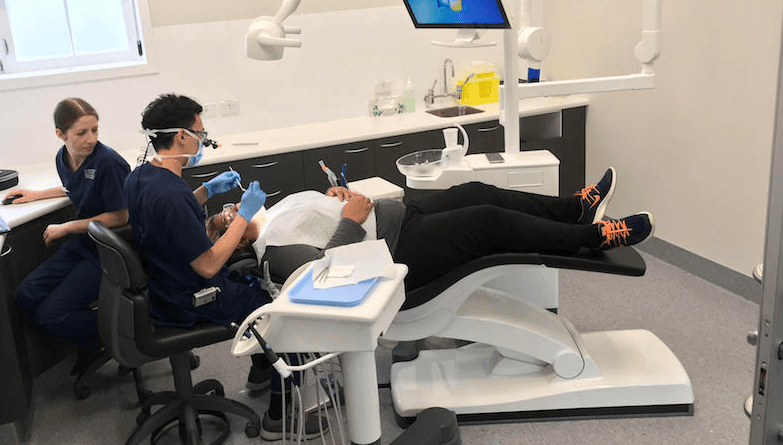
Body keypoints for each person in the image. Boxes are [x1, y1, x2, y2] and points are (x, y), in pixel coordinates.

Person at [124, 93, 325, 441]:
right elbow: (207, 265)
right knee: (280, 313)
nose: (204, 141)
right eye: (201, 134)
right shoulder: (170, 194)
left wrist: (205, 190)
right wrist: (244, 214)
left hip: (161, 286)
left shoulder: (140, 176)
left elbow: (169, 223)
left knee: (248, 277)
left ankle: (261, 372)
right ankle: (280, 418)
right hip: (190, 296)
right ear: (182, 136)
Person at [207, 168, 654, 292]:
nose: (232, 209)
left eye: (228, 207)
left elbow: (324, 216)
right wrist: (348, 221)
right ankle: (593, 237)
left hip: (399, 215)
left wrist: (335, 198)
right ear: (237, 238)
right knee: (487, 222)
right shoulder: (272, 248)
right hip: (396, 251)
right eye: (227, 220)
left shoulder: (279, 208)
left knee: (478, 190)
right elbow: (324, 274)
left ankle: (574, 208)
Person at [8, 98, 131, 377]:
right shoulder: (63, 157)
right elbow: (74, 188)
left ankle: (127, 332)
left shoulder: (109, 162)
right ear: (60, 134)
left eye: (95, 130)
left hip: (110, 248)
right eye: (81, 133)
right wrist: (38, 194)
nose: (91, 139)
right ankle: (92, 338)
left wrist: (66, 227)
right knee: (26, 295)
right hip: (84, 243)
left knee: (52, 315)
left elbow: (120, 217)